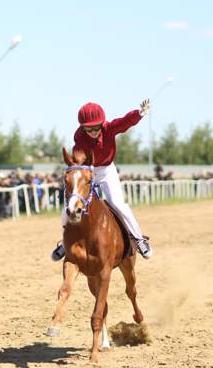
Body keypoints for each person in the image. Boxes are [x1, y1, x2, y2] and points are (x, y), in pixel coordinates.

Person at [51, 99, 153, 261]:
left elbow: (124, 122)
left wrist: (138, 114)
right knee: (68, 208)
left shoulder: (109, 128)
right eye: (88, 129)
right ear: (82, 127)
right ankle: (65, 242)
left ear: (102, 124)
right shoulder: (79, 136)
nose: (92, 132)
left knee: (119, 205)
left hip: (106, 171)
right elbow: (78, 157)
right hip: (87, 171)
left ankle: (139, 239)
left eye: (96, 127)